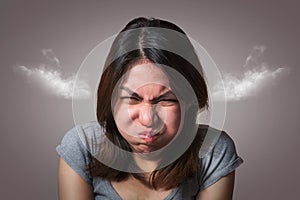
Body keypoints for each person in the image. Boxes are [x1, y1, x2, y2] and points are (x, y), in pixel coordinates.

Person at [56, 17, 243, 200]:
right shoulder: (82, 146)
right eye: (131, 98)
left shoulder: (213, 151)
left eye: (165, 100)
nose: (147, 120)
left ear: (189, 99)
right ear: (110, 100)